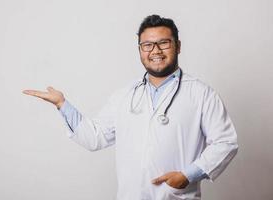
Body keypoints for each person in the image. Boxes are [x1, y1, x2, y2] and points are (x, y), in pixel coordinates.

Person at [23, 15, 238, 200]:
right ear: (140, 50)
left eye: (164, 43)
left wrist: (187, 175)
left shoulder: (201, 94)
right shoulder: (125, 95)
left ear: (178, 46)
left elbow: (226, 142)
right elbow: (94, 137)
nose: (155, 51)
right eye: (147, 45)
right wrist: (62, 104)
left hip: (175, 196)